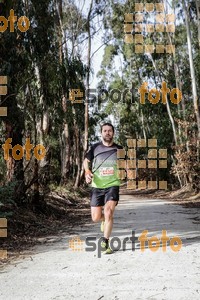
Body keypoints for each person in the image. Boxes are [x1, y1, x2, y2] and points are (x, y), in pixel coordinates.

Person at [83, 122, 123, 254]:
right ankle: (104, 221)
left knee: (108, 212)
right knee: (95, 217)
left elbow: (126, 164)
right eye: (105, 130)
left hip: (113, 185)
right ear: (101, 133)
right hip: (97, 186)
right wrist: (87, 172)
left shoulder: (119, 149)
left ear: (113, 133)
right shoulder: (95, 148)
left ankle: (105, 242)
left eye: (110, 131)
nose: (107, 133)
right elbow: (86, 162)